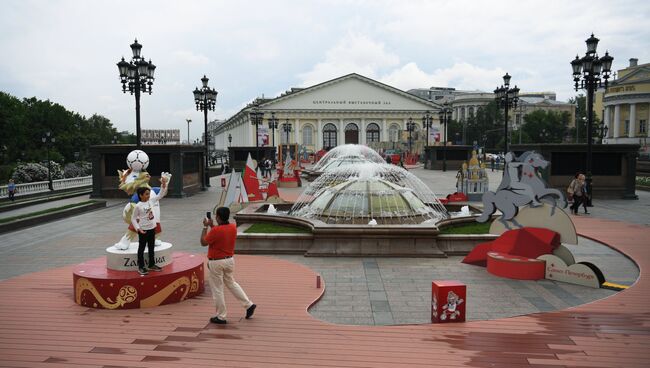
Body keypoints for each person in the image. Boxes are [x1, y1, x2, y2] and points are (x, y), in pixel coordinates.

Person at [201, 207, 256, 324]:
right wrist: (213, 226)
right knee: (231, 283)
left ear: (218, 217)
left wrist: (206, 226)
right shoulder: (232, 227)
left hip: (216, 262)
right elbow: (220, 233)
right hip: (229, 260)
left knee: (217, 289)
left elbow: (203, 242)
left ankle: (221, 316)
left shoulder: (216, 231)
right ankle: (248, 304)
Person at [131, 178, 168, 275]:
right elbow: (133, 219)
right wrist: (138, 229)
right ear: (141, 195)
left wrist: (163, 184)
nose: (148, 196)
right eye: (146, 194)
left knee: (151, 247)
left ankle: (151, 264)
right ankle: (141, 267)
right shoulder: (138, 206)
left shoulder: (150, 201)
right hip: (143, 230)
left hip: (152, 228)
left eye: (149, 194)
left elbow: (161, 194)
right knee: (141, 248)